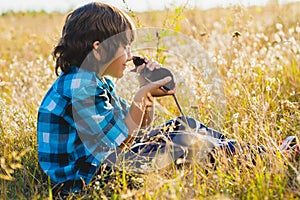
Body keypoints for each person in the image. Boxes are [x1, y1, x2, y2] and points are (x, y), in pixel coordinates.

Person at [37, 2, 299, 197]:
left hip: (105, 159)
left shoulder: (95, 80)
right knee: (181, 141)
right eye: (124, 46)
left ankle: (256, 153)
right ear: (98, 48)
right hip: (85, 179)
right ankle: (266, 157)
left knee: (182, 123)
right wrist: (143, 94)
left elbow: (137, 128)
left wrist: (145, 88)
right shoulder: (80, 87)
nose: (130, 54)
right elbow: (120, 139)